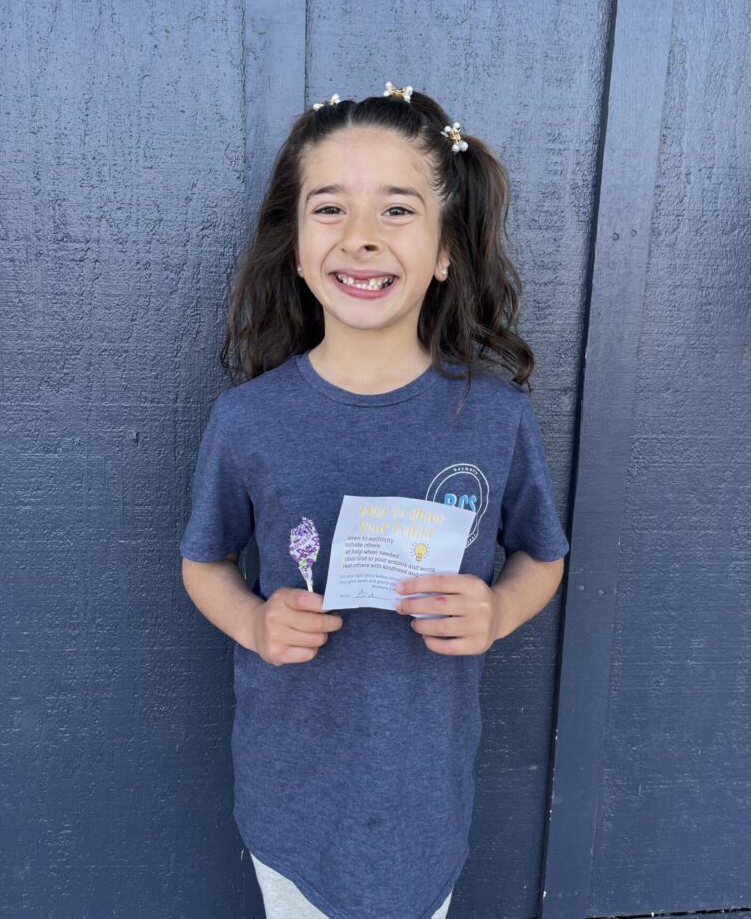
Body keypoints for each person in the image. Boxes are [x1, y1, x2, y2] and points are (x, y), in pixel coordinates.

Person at [179, 81, 570, 919]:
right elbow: (204, 561)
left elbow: (544, 554)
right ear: (295, 247)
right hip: (289, 798)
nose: (360, 236)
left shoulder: (494, 418)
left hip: (425, 803)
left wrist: (500, 610)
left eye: (397, 209)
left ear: (444, 251)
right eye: (330, 208)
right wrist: (253, 622)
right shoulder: (248, 420)